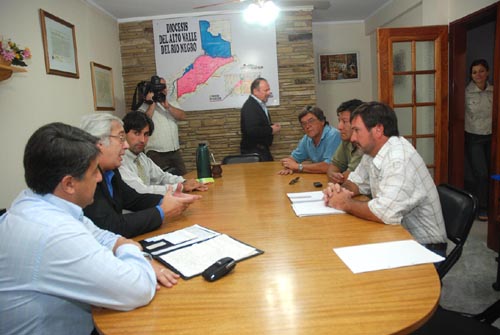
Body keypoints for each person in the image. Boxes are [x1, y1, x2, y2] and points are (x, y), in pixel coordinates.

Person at [0, 123, 179, 335]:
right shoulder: (52, 231)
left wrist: (122, 246)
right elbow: (137, 289)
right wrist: (134, 252)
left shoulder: (35, 202)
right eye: (94, 171)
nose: (100, 178)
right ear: (68, 184)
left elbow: (101, 235)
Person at [323, 102, 447, 256]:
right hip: (396, 234)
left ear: (378, 130)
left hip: (424, 245)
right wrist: (339, 191)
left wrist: (345, 203)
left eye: (356, 130)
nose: (353, 137)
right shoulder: (372, 151)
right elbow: (356, 181)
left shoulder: (399, 159)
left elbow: (384, 213)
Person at [80, 113, 200, 238]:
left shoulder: (110, 170)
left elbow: (133, 198)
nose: (126, 145)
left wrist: (167, 200)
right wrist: (162, 211)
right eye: (121, 138)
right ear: (99, 144)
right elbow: (111, 226)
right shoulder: (83, 177)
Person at [120, 111, 208, 195]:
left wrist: (184, 182)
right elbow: (141, 190)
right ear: (124, 134)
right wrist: (180, 187)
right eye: (137, 133)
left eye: (146, 134)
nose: (142, 140)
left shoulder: (142, 157)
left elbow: (162, 177)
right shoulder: (120, 161)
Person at [137, 76, 187, 175]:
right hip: (155, 153)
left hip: (174, 151)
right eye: (160, 86)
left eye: (164, 86)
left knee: (183, 177)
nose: (164, 89)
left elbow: (182, 116)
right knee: (159, 181)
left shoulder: (171, 103)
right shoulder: (144, 106)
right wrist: (152, 103)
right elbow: (143, 123)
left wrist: (168, 107)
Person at [464, 59, 493, 221]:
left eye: (481, 71)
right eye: (474, 72)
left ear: (487, 72)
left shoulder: (494, 91)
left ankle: (492, 204)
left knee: (493, 173)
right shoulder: (466, 93)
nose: (478, 75)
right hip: (474, 137)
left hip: (492, 136)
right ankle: (481, 207)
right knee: (481, 173)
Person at [278, 105, 341, 175]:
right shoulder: (307, 138)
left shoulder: (334, 135)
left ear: (322, 121)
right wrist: (288, 166)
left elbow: (329, 166)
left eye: (311, 121)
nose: (307, 126)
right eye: (304, 124)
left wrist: (298, 166)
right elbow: (293, 158)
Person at [240, 77, 281, 161]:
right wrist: (271, 130)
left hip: (261, 151)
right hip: (255, 154)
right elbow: (251, 130)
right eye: (266, 90)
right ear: (255, 91)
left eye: (269, 90)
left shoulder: (257, 104)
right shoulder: (250, 107)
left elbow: (258, 125)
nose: (269, 92)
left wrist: (271, 126)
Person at [326, 99, 364, 183]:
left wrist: (338, 177)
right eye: (339, 121)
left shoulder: (364, 144)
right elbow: (332, 167)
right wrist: (333, 175)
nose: (339, 127)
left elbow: (350, 177)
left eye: (344, 121)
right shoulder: (346, 141)